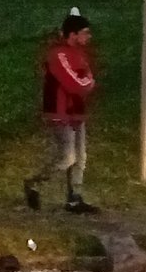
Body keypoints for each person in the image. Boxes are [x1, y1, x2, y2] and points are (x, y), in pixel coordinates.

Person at [24, 11, 98, 214]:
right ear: (73, 34)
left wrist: (86, 84)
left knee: (80, 157)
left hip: (77, 111)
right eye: (85, 32)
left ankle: (75, 198)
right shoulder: (58, 54)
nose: (88, 36)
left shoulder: (80, 54)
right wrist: (86, 84)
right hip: (60, 111)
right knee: (67, 157)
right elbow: (76, 83)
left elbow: (88, 78)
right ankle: (34, 183)